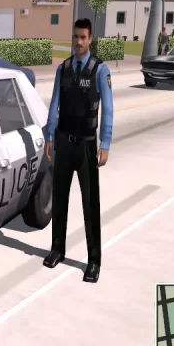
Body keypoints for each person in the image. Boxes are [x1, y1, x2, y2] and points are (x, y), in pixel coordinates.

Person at [42, 18, 113, 283]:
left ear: (90, 39)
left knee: (90, 203)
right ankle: (57, 249)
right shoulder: (63, 69)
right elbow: (55, 103)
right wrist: (50, 135)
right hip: (63, 141)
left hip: (86, 145)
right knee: (59, 198)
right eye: (76, 37)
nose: (79, 42)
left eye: (83, 37)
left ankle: (94, 261)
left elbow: (108, 108)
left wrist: (105, 143)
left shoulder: (100, 71)